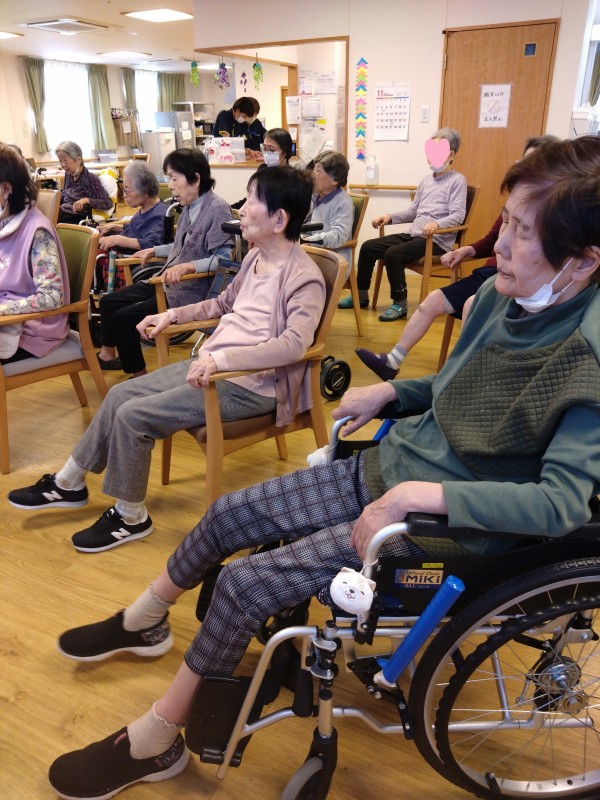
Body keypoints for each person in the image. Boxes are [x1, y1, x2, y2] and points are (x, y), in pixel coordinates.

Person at [44, 136, 600, 799]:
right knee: (228, 513)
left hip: (448, 525)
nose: (497, 245)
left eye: (521, 232)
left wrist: (414, 496)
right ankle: (145, 618)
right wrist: (396, 392)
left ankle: (160, 737)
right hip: (394, 471)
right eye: (504, 221)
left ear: (583, 260)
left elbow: (560, 504)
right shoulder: (506, 298)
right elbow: (458, 392)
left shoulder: (586, 356)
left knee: (245, 583)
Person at [9, 165, 325, 557]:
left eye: (253, 201)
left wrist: (224, 358)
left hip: (251, 385)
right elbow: (222, 304)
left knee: (134, 416)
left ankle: (130, 516)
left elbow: (294, 345)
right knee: (120, 394)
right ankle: (69, 482)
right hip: (214, 366)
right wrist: (172, 316)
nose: (242, 210)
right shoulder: (255, 259)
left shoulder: (304, 277)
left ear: (279, 219)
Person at [356, 134, 561, 380]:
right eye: (523, 163)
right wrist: (466, 250)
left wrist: (438, 227)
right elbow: (491, 240)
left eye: (534, 164)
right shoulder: (511, 204)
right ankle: (391, 361)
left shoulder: (554, 213)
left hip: (482, 264)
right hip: (486, 271)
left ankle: (459, 374)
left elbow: (458, 217)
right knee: (430, 299)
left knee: (469, 304)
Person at [94, 148, 233, 377]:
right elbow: (182, 247)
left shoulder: (217, 209)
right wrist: (154, 250)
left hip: (191, 291)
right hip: (169, 283)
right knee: (110, 303)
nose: (170, 185)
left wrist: (188, 266)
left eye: (174, 179)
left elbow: (224, 260)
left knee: (122, 319)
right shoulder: (189, 207)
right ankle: (115, 360)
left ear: (196, 179)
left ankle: (138, 377)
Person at [340, 127, 466, 322]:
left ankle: (400, 304)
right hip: (414, 234)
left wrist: (436, 224)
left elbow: (458, 215)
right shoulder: (426, 181)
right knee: (368, 247)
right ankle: (361, 296)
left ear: (451, 154)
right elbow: (413, 211)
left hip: (436, 241)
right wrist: (389, 217)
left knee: (393, 254)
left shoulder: (458, 181)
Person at [0, 144, 70, 362]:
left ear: (5, 189)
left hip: (31, 330)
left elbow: (52, 297)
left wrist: (2, 309)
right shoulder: (4, 223)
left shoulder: (37, 231)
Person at [302, 150, 354, 277]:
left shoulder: (343, 202)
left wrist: (307, 240)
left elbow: (338, 236)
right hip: (308, 253)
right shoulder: (313, 196)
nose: (313, 175)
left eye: (318, 171)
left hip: (332, 259)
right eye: (314, 170)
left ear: (335, 179)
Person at [97, 160, 166, 253]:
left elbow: (153, 244)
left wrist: (118, 240)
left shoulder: (159, 214)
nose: (124, 195)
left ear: (145, 190)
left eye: (127, 190)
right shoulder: (146, 208)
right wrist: (114, 227)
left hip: (129, 258)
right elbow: (138, 229)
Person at [230, 127, 293, 210]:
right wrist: (229, 208)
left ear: (284, 152)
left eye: (271, 150)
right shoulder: (263, 169)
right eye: (265, 149)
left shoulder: (291, 178)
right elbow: (251, 198)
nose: (266, 153)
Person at [55, 141, 113, 224]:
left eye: (65, 160)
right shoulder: (69, 174)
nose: (63, 165)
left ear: (78, 160)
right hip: (64, 212)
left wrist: (86, 200)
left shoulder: (89, 178)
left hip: (77, 217)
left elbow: (108, 203)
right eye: (60, 161)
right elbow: (65, 195)